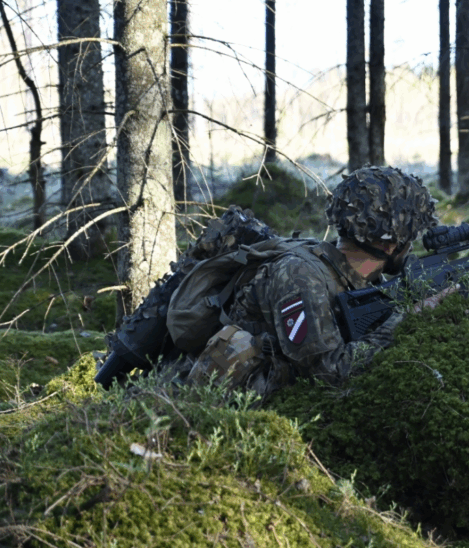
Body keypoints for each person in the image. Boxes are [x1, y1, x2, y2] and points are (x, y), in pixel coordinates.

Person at [160, 166, 440, 396]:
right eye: (410, 238)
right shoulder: (301, 277)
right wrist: (408, 319)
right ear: (390, 244)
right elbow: (329, 374)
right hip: (227, 412)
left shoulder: (355, 276)